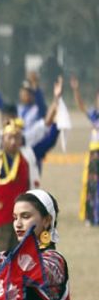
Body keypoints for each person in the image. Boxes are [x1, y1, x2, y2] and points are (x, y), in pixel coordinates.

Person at [0, 78, 62, 252]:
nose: (13, 141)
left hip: (26, 218)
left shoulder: (29, 154)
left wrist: (58, 107)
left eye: (17, 137)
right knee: (0, 260)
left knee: (26, 258)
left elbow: (50, 137)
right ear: (3, 138)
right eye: (9, 137)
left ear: (22, 139)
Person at [70, 76, 99, 225]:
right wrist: (76, 90)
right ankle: (92, 217)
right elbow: (81, 106)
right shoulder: (95, 115)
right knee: (92, 187)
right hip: (95, 156)